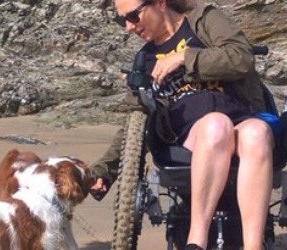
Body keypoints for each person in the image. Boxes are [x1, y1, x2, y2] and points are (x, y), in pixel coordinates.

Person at [91, 0, 275, 249]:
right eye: (121, 20)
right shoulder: (144, 60)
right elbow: (136, 120)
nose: (128, 27)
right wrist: (105, 170)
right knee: (216, 125)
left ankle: (254, 245)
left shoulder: (202, 21)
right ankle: (196, 240)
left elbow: (241, 57)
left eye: (133, 16)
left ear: (161, 3)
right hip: (188, 132)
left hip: (240, 116)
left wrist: (185, 58)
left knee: (258, 132)